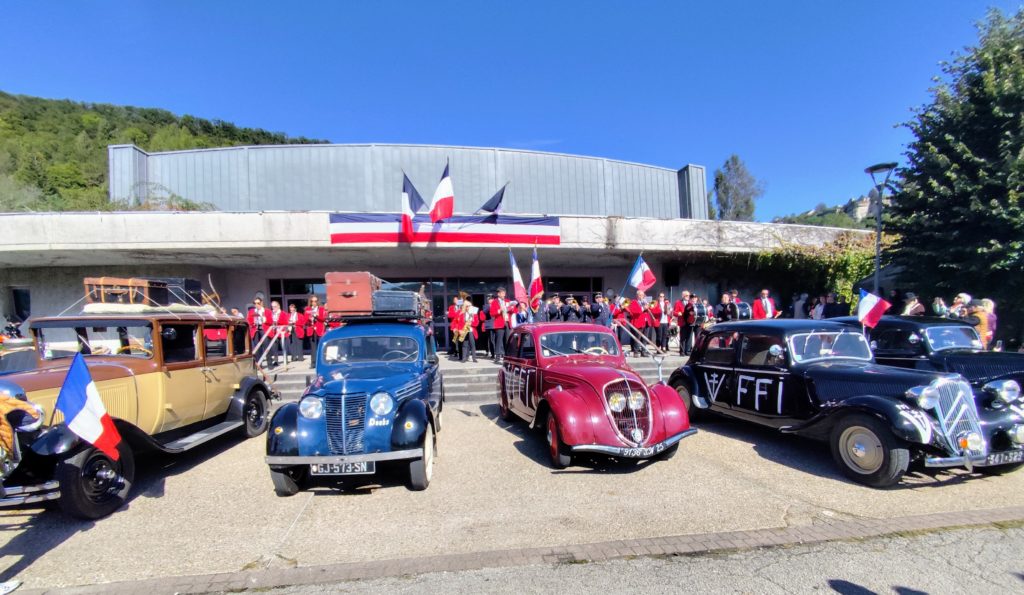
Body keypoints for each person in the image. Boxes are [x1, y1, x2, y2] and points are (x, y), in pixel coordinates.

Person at [489, 287, 516, 363]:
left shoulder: (507, 301)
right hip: (499, 323)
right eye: (502, 293)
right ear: (498, 294)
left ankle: (507, 355)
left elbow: (514, 311)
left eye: (504, 293)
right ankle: (497, 356)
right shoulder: (494, 302)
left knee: (507, 340)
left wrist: (511, 308)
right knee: (499, 340)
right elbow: (492, 313)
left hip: (507, 322)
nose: (504, 294)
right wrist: (499, 310)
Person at [246, 297, 272, 366]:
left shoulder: (267, 311)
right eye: (255, 303)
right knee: (257, 347)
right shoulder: (251, 311)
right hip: (255, 330)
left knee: (266, 346)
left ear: (261, 303)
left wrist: (265, 320)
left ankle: (270, 364)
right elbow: (248, 320)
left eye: (258, 303)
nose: (257, 305)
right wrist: (253, 322)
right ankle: (259, 364)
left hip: (264, 329)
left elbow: (271, 321)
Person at [304, 295, 327, 368]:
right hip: (311, 329)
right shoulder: (307, 309)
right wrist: (309, 318)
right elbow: (305, 320)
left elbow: (323, 319)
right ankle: (313, 363)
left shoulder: (321, 309)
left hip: (319, 329)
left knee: (320, 347)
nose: (314, 303)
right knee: (313, 347)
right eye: (312, 301)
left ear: (318, 302)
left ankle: (321, 363)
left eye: (315, 301)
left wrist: (317, 316)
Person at [673, 291, 697, 356]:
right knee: (683, 337)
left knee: (689, 337)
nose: (688, 297)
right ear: (682, 296)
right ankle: (682, 351)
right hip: (683, 322)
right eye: (686, 295)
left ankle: (688, 351)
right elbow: (674, 312)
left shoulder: (691, 303)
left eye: (689, 295)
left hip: (690, 322)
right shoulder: (678, 302)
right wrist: (678, 313)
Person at [266, 300, 288, 368]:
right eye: (272, 307)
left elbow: (286, 322)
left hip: (282, 332)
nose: (273, 308)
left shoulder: (283, 313)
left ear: (278, 306)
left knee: (283, 346)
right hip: (274, 332)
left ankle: (285, 360)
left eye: (275, 306)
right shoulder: (271, 313)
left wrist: (277, 322)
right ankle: (276, 361)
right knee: (274, 347)